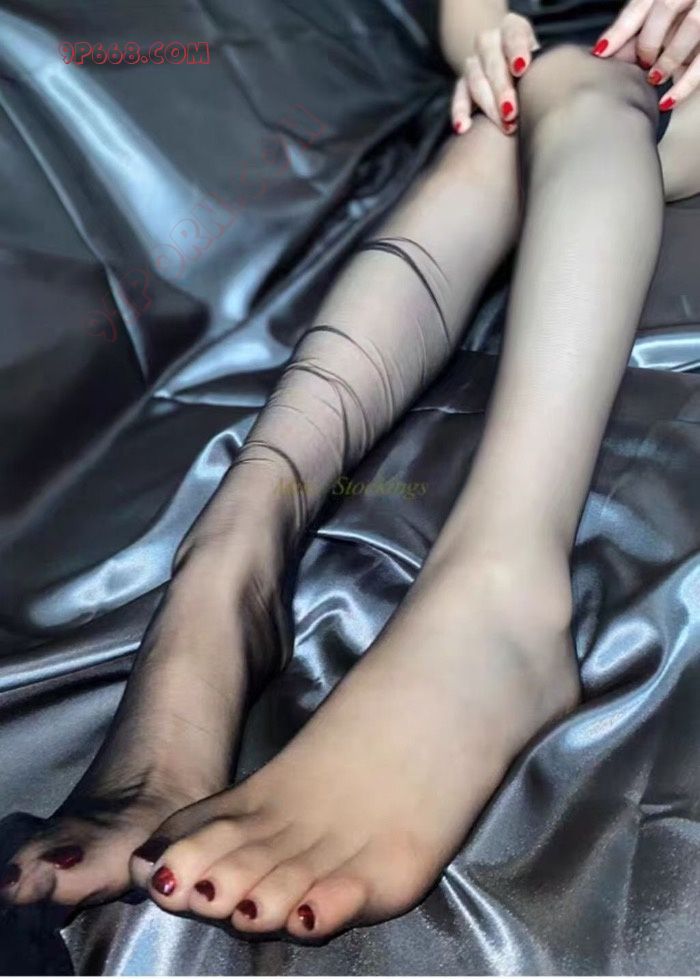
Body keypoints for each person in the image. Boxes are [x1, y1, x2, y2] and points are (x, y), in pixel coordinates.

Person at [3, 0, 700, 943]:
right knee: (510, 120)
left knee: (561, 95)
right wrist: (493, 49)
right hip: (535, 106)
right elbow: (471, 18)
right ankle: (225, 574)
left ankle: (492, 592)